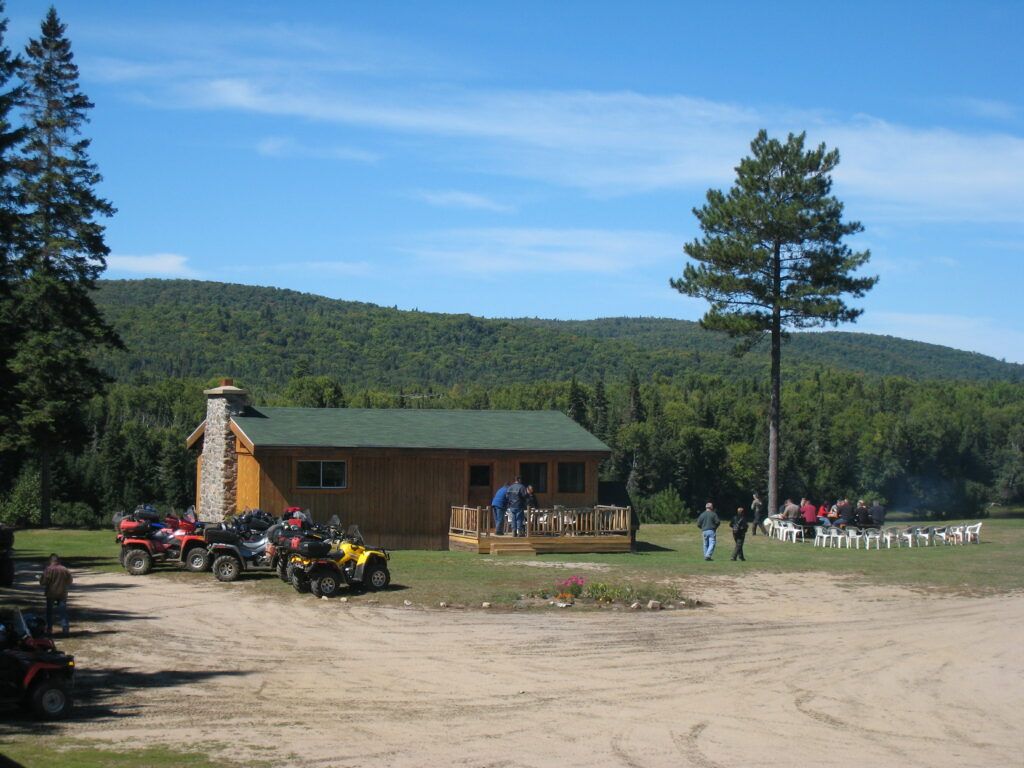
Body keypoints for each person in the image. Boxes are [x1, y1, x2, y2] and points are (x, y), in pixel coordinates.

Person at [39, 553, 73, 637]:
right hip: (62, 593)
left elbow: (43, 582)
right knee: (63, 611)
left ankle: (49, 629)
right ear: (58, 561)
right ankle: (65, 629)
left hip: (51, 593)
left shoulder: (48, 570)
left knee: (49, 612)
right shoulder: (64, 569)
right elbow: (70, 580)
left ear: (50, 561)